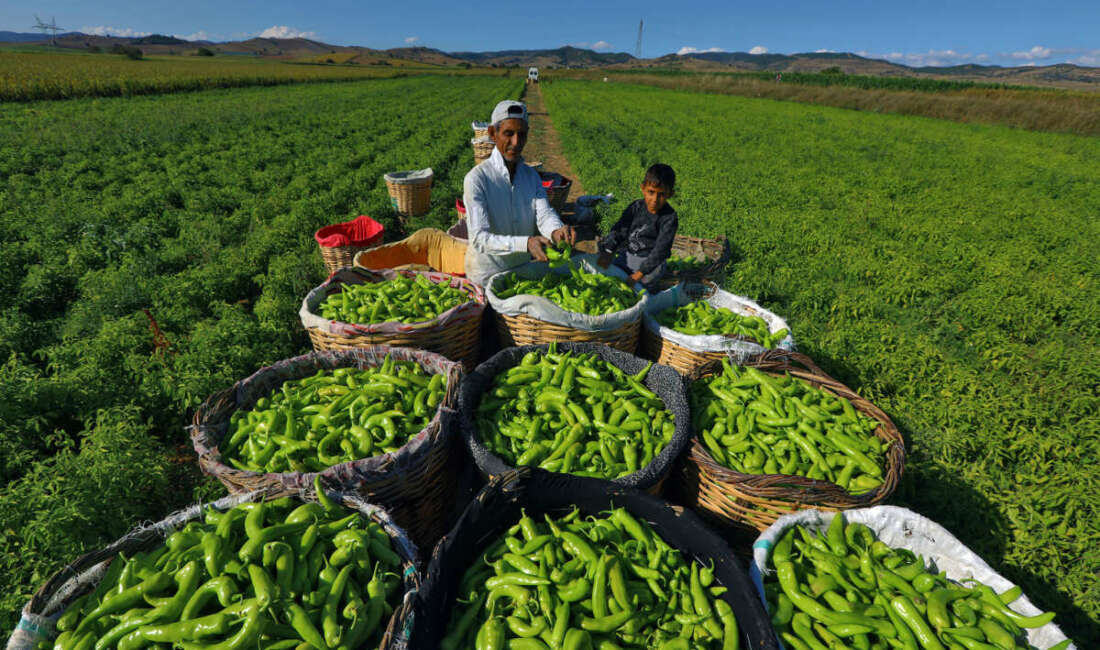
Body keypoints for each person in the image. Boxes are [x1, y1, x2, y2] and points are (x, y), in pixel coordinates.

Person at [463, 100, 576, 286]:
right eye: (509, 133)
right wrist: (526, 244)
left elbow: (544, 214)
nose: (516, 142)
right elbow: (479, 239)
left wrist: (556, 230)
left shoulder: (531, 176)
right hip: (487, 276)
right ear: (493, 133)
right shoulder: (477, 179)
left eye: (521, 135)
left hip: (522, 272)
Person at [597, 163, 679, 293]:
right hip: (629, 255)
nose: (655, 199)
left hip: (651, 263)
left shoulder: (669, 217)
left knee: (640, 289)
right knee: (609, 276)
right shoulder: (636, 207)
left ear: (670, 194)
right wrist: (608, 251)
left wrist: (639, 274)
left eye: (661, 194)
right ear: (643, 189)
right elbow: (619, 230)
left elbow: (660, 250)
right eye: (651, 192)